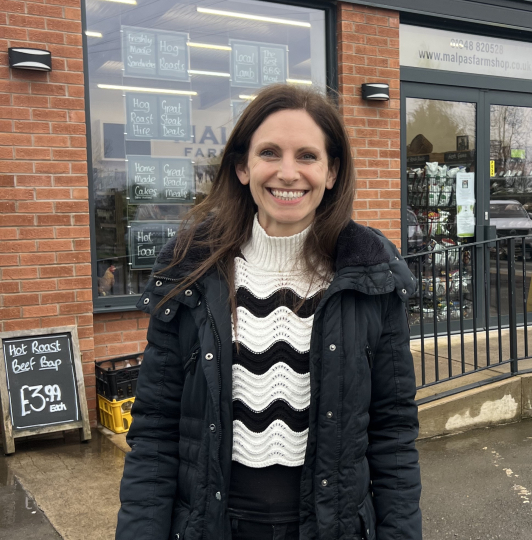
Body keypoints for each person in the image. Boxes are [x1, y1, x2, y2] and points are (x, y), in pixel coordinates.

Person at [116, 84, 422, 540]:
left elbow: (393, 434)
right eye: (270, 153)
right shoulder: (190, 270)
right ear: (243, 167)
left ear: (332, 171)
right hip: (214, 525)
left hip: (330, 527)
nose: (288, 172)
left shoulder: (369, 275)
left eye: (307, 156)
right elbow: (156, 430)